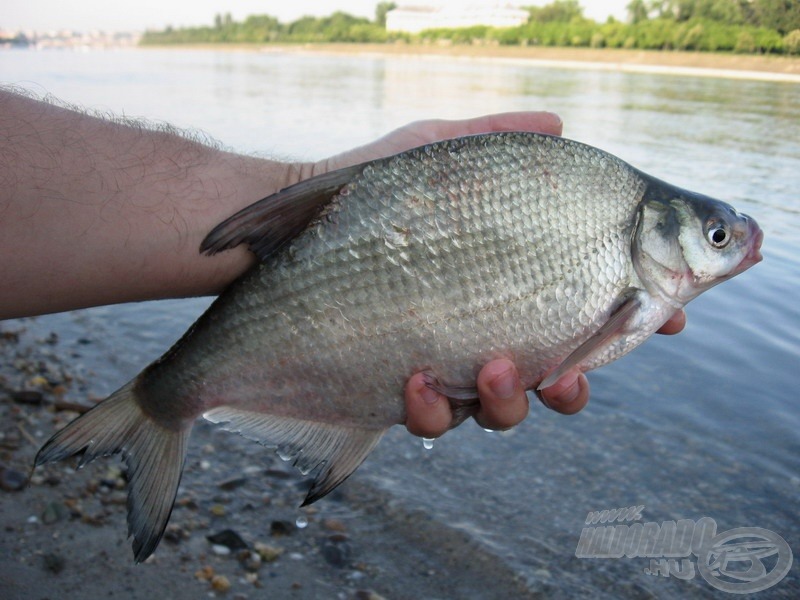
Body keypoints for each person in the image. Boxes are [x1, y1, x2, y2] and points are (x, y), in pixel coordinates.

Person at [0, 88, 685, 440]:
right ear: (655, 234)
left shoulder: (615, 224)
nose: (730, 247)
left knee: (442, 390)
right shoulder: (619, 232)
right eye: (714, 238)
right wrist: (314, 189)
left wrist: (314, 180)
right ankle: (163, 404)